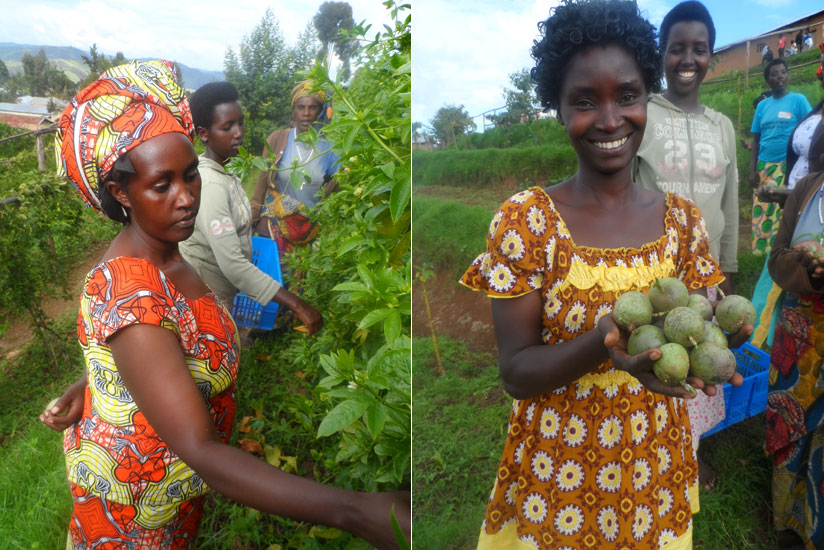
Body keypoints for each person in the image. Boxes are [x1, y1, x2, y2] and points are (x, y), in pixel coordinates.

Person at [40, 60, 409, 549]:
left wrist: (95, 378)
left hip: (169, 499)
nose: (186, 197)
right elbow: (199, 449)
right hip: (134, 519)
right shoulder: (133, 286)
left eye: (191, 176)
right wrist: (360, 511)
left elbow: (149, 346)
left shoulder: (168, 256)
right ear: (119, 193)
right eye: (161, 184)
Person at [459, 1, 747, 547]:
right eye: (585, 101)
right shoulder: (527, 221)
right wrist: (602, 339)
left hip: (653, 461)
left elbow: (699, 316)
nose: (611, 119)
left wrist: (720, 331)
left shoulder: (681, 222)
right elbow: (515, 373)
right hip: (559, 471)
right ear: (558, 108)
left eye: (628, 96)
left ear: (647, 99)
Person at [633, 0, 737, 491]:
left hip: (706, 276)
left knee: (701, 366)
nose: (688, 59)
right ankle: (656, 457)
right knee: (659, 366)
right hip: (654, 282)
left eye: (699, 49)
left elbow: (731, 202)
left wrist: (728, 268)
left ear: (712, 56)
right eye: (677, 49)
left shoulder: (723, 127)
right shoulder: (644, 115)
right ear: (663, 54)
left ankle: (689, 458)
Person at [177, 81, 321, 338]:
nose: (239, 133)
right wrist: (297, 304)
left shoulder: (227, 170)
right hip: (206, 295)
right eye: (227, 127)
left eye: (240, 123)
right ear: (204, 133)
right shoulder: (210, 184)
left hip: (220, 291)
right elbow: (232, 264)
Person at [765, 120, 824, 550]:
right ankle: (787, 525)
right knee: (791, 433)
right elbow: (777, 257)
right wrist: (807, 269)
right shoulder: (808, 188)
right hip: (798, 332)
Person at [748, 58, 812, 348]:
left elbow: (811, 138)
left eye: (784, 72)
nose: (780, 77)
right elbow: (756, 136)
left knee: (783, 220)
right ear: (768, 79)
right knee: (763, 217)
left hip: (788, 169)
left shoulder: (798, 101)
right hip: (764, 165)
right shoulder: (762, 106)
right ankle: (766, 257)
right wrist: (752, 168)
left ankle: (779, 256)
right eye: (774, 74)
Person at [250, 80, 339, 254]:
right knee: (269, 279)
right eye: (301, 107)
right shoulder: (277, 140)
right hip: (272, 230)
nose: (306, 113)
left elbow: (339, 192)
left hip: (308, 233)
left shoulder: (330, 149)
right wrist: (250, 224)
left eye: (312, 107)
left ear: (320, 111)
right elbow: (259, 190)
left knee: (299, 280)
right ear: (294, 110)